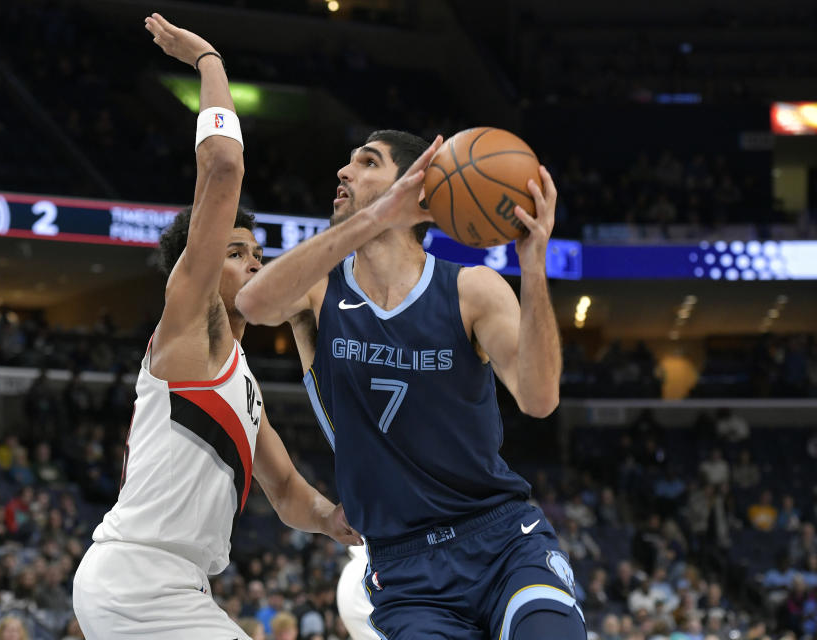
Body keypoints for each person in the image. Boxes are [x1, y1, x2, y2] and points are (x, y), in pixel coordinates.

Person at [72, 14, 359, 640]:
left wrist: (340, 522)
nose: (253, 264)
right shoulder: (187, 324)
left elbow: (285, 491)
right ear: (196, 266)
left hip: (177, 584)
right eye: (234, 254)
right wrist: (208, 60)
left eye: (257, 256)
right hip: (137, 579)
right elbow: (224, 167)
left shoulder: (242, 381)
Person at [237, 130, 586, 638]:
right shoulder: (320, 288)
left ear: (415, 188)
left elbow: (539, 399)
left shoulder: (472, 289)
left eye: (367, 162)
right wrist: (373, 218)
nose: (343, 171)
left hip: (501, 540)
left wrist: (533, 264)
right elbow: (251, 304)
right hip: (405, 570)